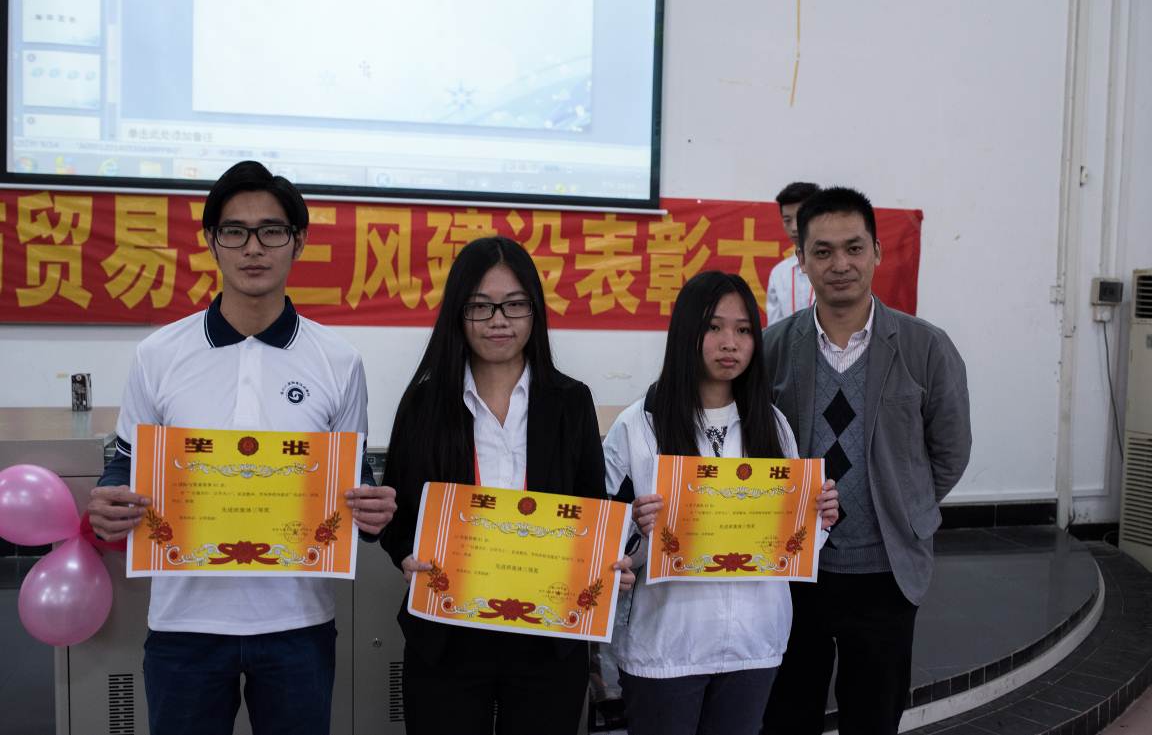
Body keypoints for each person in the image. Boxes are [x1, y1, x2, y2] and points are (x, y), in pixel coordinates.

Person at [86, 160, 397, 735]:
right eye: (235, 231)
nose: (253, 248)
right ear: (211, 241)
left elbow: (354, 485)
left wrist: (374, 515)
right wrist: (108, 502)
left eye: (271, 231)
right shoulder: (159, 354)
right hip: (185, 624)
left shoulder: (339, 361)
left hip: (298, 623)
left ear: (298, 242)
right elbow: (124, 467)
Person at [380, 235, 634, 735]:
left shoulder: (570, 402)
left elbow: (591, 508)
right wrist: (405, 554)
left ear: (534, 311)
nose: (499, 320)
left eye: (515, 304)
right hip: (447, 633)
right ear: (459, 313)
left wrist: (609, 561)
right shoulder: (424, 405)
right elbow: (398, 515)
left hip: (548, 636)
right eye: (481, 306)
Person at [760, 187, 972, 735]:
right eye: (823, 251)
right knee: (787, 715)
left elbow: (950, 450)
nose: (840, 264)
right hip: (794, 573)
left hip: (886, 572)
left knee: (874, 717)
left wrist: (905, 504)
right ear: (801, 259)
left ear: (877, 251)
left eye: (854, 248)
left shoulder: (926, 347)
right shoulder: (773, 349)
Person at [602, 271, 839, 735]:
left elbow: (790, 545)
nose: (730, 343)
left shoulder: (772, 425)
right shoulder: (639, 425)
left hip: (754, 643)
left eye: (743, 330)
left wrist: (819, 519)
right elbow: (607, 544)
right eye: (713, 327)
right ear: (686, 333)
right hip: (667, 644)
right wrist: (636, 526)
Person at [766, 182, 820, 325]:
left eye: (801, 217)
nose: (794, 227)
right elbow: (775, 328)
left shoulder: (838, 266)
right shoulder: (779, 273)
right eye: (787, 220)